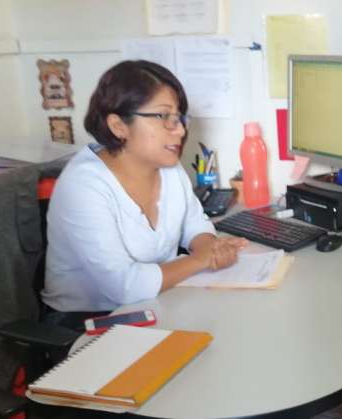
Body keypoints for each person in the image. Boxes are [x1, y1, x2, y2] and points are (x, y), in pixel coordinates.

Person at [42, 60, 247, 328]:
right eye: (164, 117)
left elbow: (194, 224)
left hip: (157, 304)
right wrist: (200, 260)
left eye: (180, 118)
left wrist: (212, 248)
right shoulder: (83, 186)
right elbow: (123, 287)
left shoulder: (167, 167)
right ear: (118, 125)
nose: (181, 130)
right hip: (85, 322)